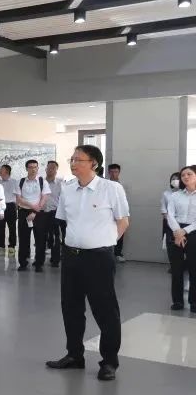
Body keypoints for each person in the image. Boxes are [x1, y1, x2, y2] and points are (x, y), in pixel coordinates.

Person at [47, 145, 129, 382]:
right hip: (71, 256)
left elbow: (123, 221)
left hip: (99, 257)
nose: (73, 163)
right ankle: (74, 355)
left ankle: (109, 361)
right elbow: (64, 221)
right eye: (72, 159)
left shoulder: (111, 188)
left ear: (94, 163)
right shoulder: (68, 189)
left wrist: (106, 243)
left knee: (105, 310)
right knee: (71, 307)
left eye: (78, 159)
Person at [166, 166, 196, 311]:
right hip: (175, 230)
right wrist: (178, 231)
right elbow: (170, 215)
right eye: (183, 175)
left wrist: (184, 231)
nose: (185, 177)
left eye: (189, 174)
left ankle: (194, 302)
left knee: (194, 268)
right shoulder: (175, 196)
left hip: (193, 231)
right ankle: (177, 301)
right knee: (176, 268)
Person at [16, 159, 50, 272]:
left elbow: (44, 198)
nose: (33, 169)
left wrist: (35, 211)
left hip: (39, 213)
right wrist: (32, 206)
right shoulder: (21, 181)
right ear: (26, 169)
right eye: (30, 167)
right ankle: (23, 263)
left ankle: (39, 263)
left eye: (35, 167)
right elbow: (19, 199)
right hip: (24, 212)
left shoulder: (42, 181)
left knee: (40, 239)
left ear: (38, 168)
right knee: (23, 239)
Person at [43, 160, 65, 268]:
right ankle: (40, 259)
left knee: (57, 236)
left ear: (56, 170)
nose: (50, 170)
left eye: (53, 168)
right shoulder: (41, 182)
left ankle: (55, 259)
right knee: (43, 236)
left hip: (56, 213)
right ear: (46, 169)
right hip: (42, 212)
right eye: (49, 167)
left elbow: (64, 199)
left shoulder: (61, 183)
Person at [163, 172, 181, 273]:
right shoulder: (166, 193)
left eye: (177, 178)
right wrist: (173, 224)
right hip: (170, 223)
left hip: (184, 224)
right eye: (173, 179)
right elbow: (164, 211)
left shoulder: (186, 193)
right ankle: (173, 265)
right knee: (171, 245)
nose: (175, 181)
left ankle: (183, 265)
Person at [108, 163, 126, 262]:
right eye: (112, 172)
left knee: (120, 233)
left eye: (116, 172)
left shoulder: (120, 186)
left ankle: (118, 253)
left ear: (119, 173)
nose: (114, 174)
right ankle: (108, 253)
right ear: (108, 172)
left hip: (120, 213)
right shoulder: (105, 184)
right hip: (108, 213)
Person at [0, 164, 19, 251]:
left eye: (1, 170)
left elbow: (18, 196)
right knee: (0, 227)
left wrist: (17, 208)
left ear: (7, 171)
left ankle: (12, 245)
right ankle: (0, 244)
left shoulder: (14, 182)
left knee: (12, 227)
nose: (0, 171)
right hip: (0, 207)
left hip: (11, 206)